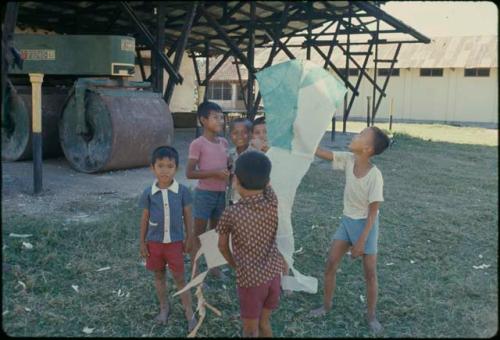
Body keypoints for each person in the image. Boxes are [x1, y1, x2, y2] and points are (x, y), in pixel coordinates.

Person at [309, 126, 390, 334]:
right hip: (347, 222)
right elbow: (321, 152)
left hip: (367, 226)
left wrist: (362, 242)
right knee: (331, 263)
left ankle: (371, 316)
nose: (355, 136)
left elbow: (373, 213)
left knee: (370, 273)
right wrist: (304, 136)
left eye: (361, 135)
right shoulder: (348, 159)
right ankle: (326, 306)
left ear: (368, 149)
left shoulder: (375, 176)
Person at [217, 151, 284, 337]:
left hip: (250, 281)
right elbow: (267, 183)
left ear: (235, 180)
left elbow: (222, 246)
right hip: (273, 276)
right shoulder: (272, 201)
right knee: (264, 323)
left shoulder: (230, 213)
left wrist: (233, 264)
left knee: (250, 331)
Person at [138, 146, 197, 331]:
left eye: (169, 166)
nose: (165, 170)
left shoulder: (183, 192)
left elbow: (188, 216)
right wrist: (142, 242)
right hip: (154, 244)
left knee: (180, 277)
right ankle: (164, 307)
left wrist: (189, 238)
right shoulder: (148, 193)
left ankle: (189, 312)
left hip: (175, 243)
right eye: (160, 165)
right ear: (152, 168)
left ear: (176, 169)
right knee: (158, 276)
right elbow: (145, 218)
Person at [186, 101, 229, 277]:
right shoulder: (198, 144)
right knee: (199, 233)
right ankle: (195, 271)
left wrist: (229, 167)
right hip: (204, 195)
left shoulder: (224, 143)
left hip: (221, 194)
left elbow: (225, 166)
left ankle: (215, 269)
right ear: (203, 120)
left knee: (215, 232)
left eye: (221, 117)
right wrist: (215, 173)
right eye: (215, 117)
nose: (220, 121)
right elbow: (189, 173)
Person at [227, 117, 255, 205]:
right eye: (235, 133)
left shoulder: (255, 155)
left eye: (244, 132)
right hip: (234, 199)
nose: (239, 136)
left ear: (251, 134)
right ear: (230, 135)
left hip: (252, 200)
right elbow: (229, 179)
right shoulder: (230, 154)